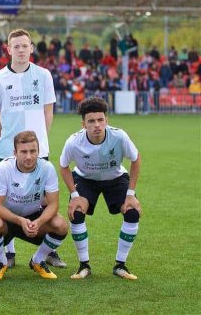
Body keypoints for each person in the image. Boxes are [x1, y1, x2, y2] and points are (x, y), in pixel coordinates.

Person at [0, 28, 63, 268]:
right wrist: (5, 140)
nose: (20, 50)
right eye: (16, 46)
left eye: (24, 45)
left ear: (31, 48)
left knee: (41, 202)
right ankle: (9, 251)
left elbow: (48, 111)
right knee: (8, 200)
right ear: (9, 50)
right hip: (9, 150)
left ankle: (46, 251)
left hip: (38, 150)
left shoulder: (44, 75)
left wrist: (39, 142)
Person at [59, 97, 142, 280]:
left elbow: (136, 160)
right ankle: (84, 266)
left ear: (106, 120)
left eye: (100, 120)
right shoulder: (73, 142)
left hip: (116, 178)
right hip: (85, 179)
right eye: (91, 121)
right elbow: (63, 166)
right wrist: (74, 195)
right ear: (83, 124)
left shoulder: (119, 136)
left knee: (132, 212)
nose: (97, 125)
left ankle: (120, 265)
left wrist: (131, 194)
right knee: (77, 213)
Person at [0, 131, 68, 280]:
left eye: (32, 151)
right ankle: (1, 262)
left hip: (34, 217)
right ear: (15, 152)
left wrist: (38, 222)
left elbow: (53, 205)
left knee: (61, 224)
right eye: (23, 152)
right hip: (7, 218)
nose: (28, 156)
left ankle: (38, 260)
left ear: (38, 151)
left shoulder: (47, 168)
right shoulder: (4, 168)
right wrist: (20, 221)